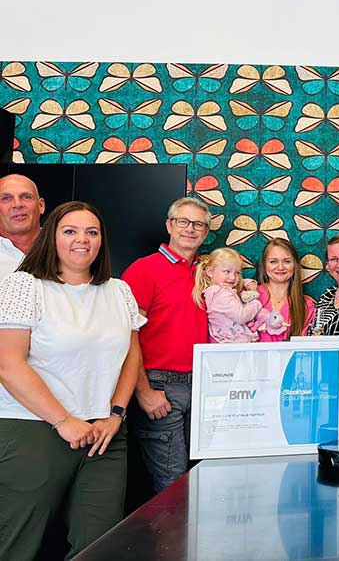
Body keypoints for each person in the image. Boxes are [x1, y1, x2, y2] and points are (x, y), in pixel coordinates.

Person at [0, 201, 145, 560]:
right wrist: (63, 420)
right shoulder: (25, 285)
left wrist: (115, 414)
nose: (82, 239)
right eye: (70, 231)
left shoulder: (119, 291)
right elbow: (8, 363)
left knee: (99, 546)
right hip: (34, 428)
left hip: (104, 434)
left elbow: (131, 356)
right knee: (17, 544)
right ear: (52, 237)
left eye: (92, 232)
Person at [122, 197, 209, 493]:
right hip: (161, 386)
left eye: (198, 224)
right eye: (183, 221)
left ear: (206, 232)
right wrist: (144, 392)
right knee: (172, 485)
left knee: (203, 478)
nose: (190, 229)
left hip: (203, 386)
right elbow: (126, 335)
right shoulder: (144, 270)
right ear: (169, 225)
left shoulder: (206, 273)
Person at [193, 247, 263, 343]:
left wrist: (248, 283)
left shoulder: (214, 290)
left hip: (227, 342)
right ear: (210, 272)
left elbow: (239, 282)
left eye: (237, 273)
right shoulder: (221, 294)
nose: (233, 277)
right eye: (227, 272)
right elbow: (241, 316)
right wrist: (256, 303)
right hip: (232, 344)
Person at [252, 238, 316, 340]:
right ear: (264, 265)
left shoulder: (306, 306)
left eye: (287, 261)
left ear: (295, 265)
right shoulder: (251, 297)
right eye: (273, 261)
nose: (280, 267)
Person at [0, 173, 44, 279]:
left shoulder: (66, 247)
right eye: (6, 198)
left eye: (26, 197)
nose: (17, 204)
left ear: (41, 206)